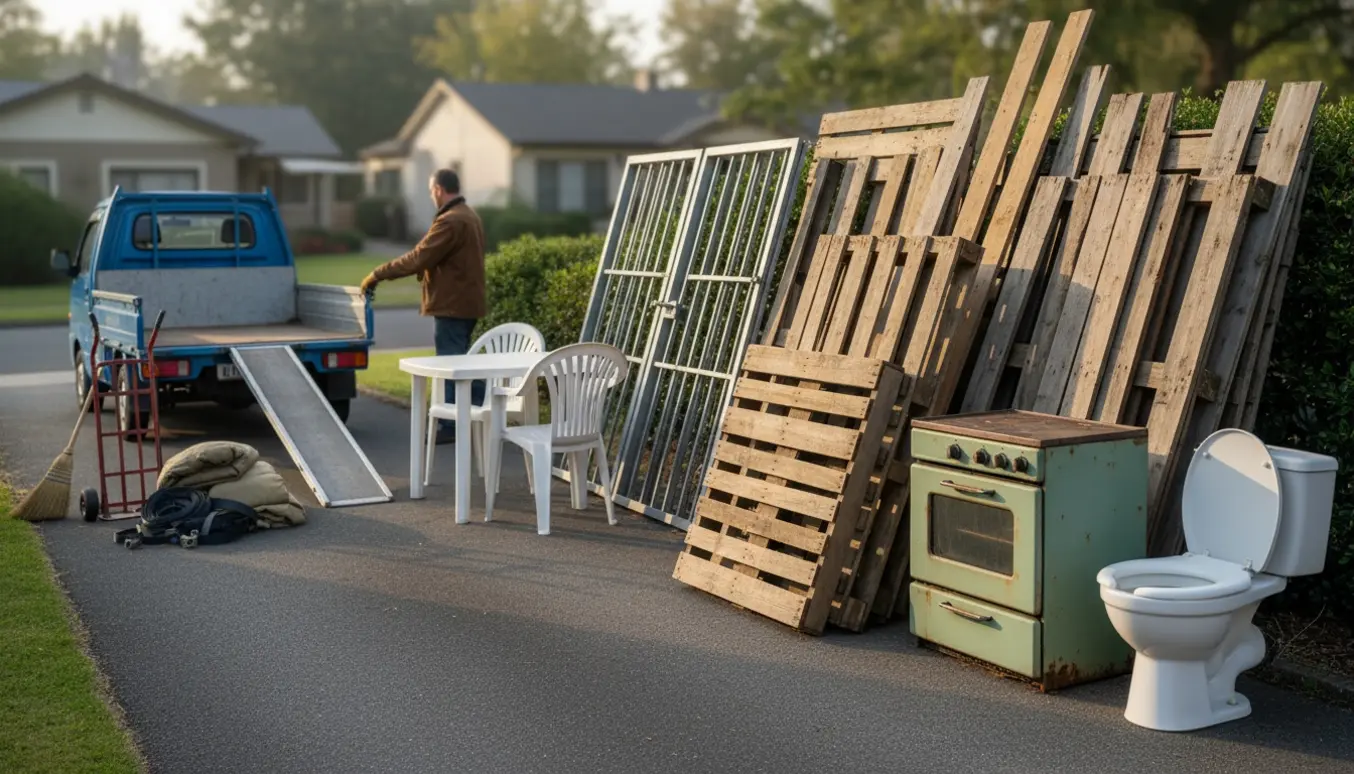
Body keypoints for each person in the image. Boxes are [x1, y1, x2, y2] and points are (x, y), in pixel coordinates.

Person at [361, 169, 486, 445]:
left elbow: (418, 258)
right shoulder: (468, 215)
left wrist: (378, 273)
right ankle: (478, 412)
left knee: (451, 364)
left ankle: (452, 425)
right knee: (462, 361)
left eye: (432, 191)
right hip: (467, 301)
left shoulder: (451, 221)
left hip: (452, 304)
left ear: (439, 189)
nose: (432, 196)